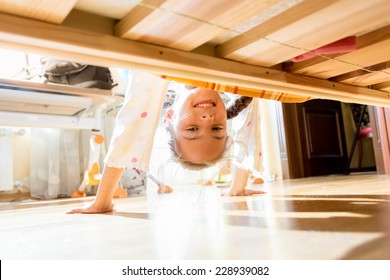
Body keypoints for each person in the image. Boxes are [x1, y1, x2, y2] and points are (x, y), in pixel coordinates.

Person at [67, 70, 264, 214]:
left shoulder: (160, 74)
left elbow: (134, 122)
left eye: (192, 129)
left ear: (170, 116)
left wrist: (103, 200)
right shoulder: (232, 82)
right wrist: (238, 185)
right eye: (217, 129)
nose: (207, 120)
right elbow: (248, 118)